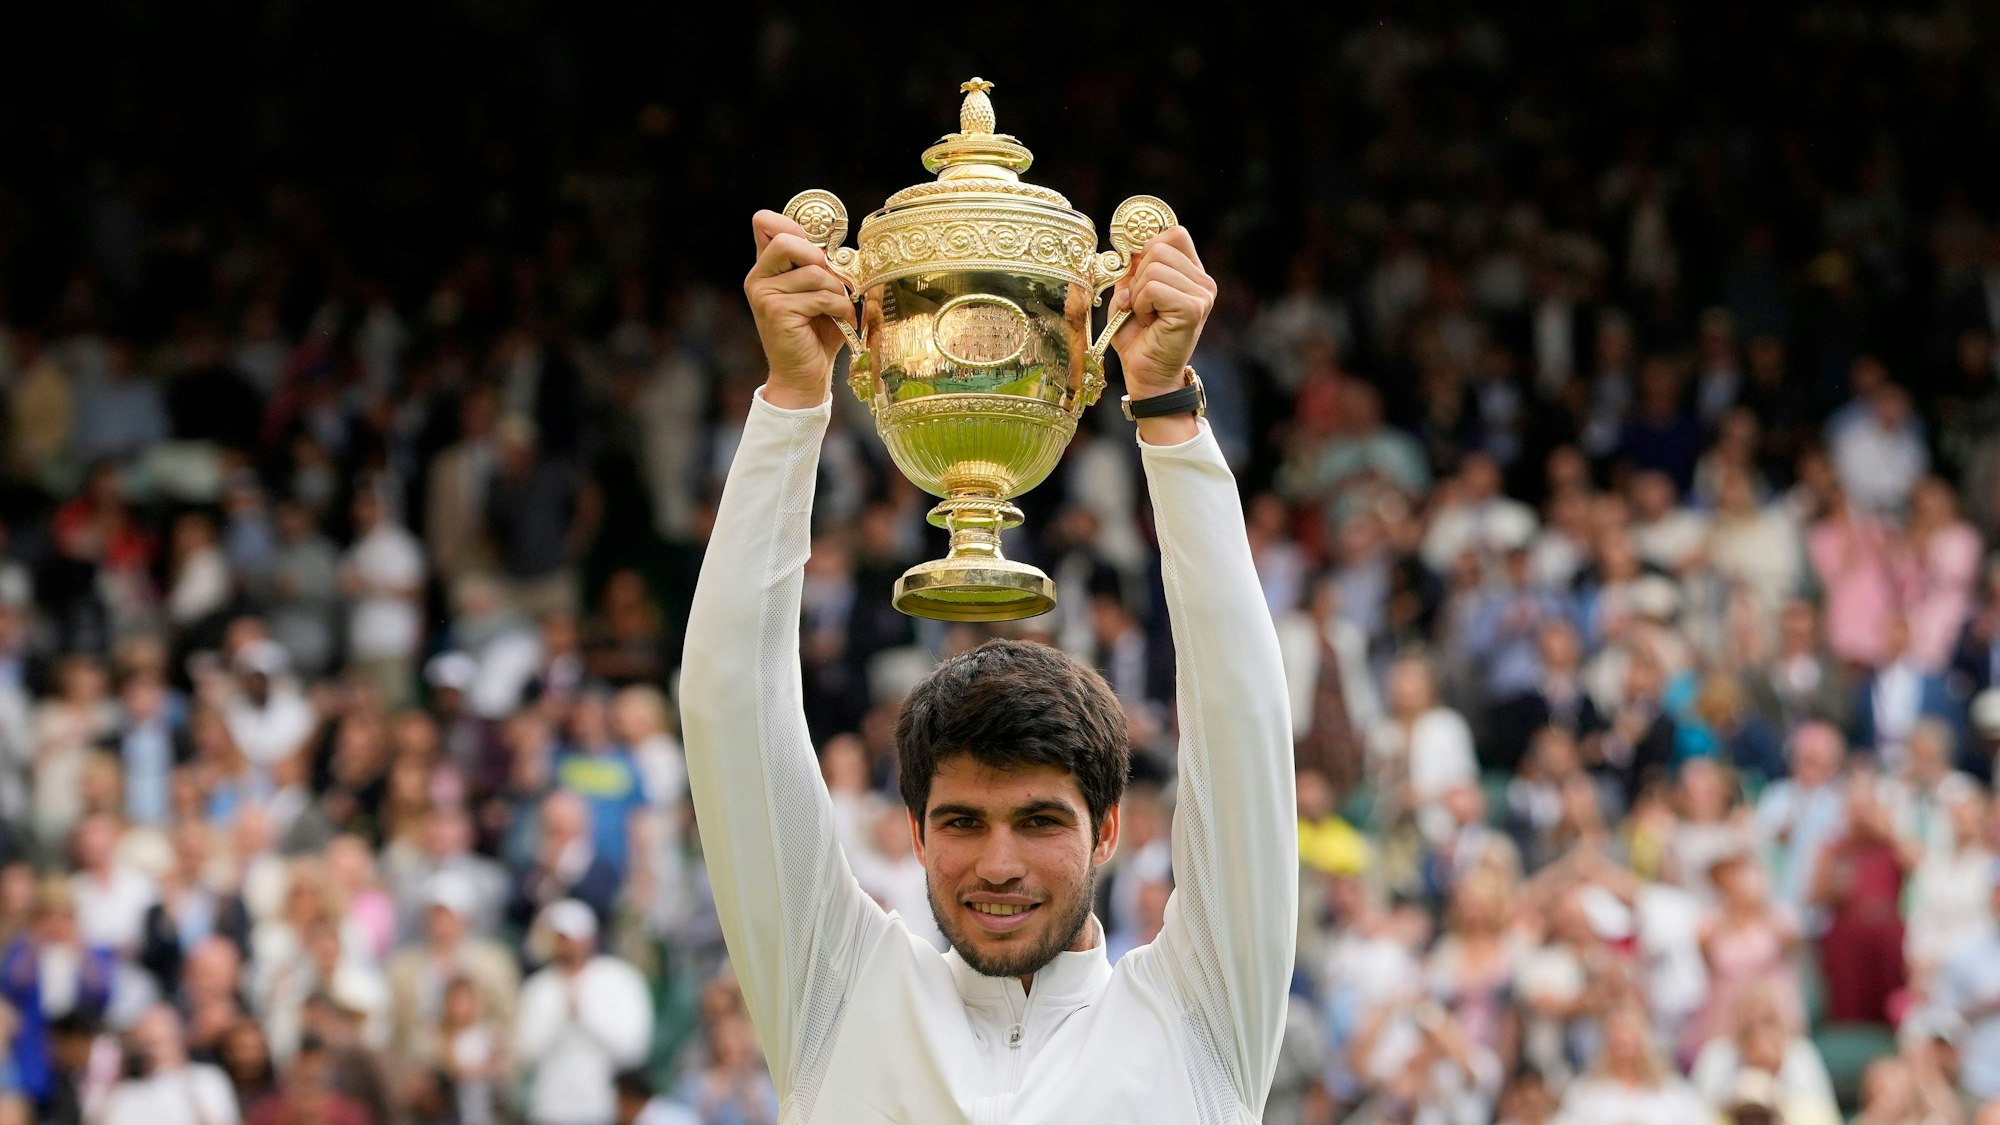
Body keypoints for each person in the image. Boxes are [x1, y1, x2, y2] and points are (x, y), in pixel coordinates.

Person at [680, 212, 1294, 1120]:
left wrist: (1164, 406)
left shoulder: (1200, 1016)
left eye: (1040, 818)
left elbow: (1242, 715)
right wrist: (793, 399)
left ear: (1108, 829)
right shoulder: (836, 997)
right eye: (962, 820)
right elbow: (728, 702)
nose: (997, 863)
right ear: (919, 835)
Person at [512, 900, 653, 1125]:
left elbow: (633, 1049)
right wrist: (562, 1018)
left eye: (570, 937)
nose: (565, 945)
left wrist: (585, 1016)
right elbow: (525, 1051)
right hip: (549, 1108)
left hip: (603, 1106)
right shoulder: (538, 988)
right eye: (560, 937)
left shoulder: (620, 979)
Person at [99, 1005, 240, 1125]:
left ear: (179, 1039)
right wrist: (118, 1077)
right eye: (144, 1044)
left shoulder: (208, 1078)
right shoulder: (125, 1091)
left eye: (158, 1042)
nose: (151, 1052)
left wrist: (183, 1079)